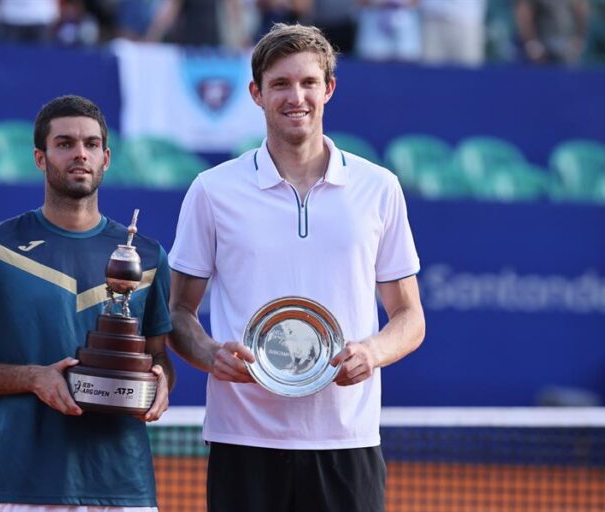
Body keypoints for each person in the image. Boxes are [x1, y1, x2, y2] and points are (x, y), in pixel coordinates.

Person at [168, 23, 425, 512]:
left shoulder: (379, 187)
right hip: (243, 438)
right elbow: (179, 312)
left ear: (328, 89)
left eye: (308, 83)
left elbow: (410, 317)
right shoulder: (212, 190)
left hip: (346, 440)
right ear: (256, 94)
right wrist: (208, 354)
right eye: (280, 84)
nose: (296, 97)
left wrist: (371, 352)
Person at [0, 95, 174, 511]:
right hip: (26, 483)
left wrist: (161, 386)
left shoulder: (149, 256)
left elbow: (159, 355)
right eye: (65, 143)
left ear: (106, 157)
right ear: (39, 157)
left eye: (90, 144)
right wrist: (34, 378)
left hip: (123, 483)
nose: (79, 154)